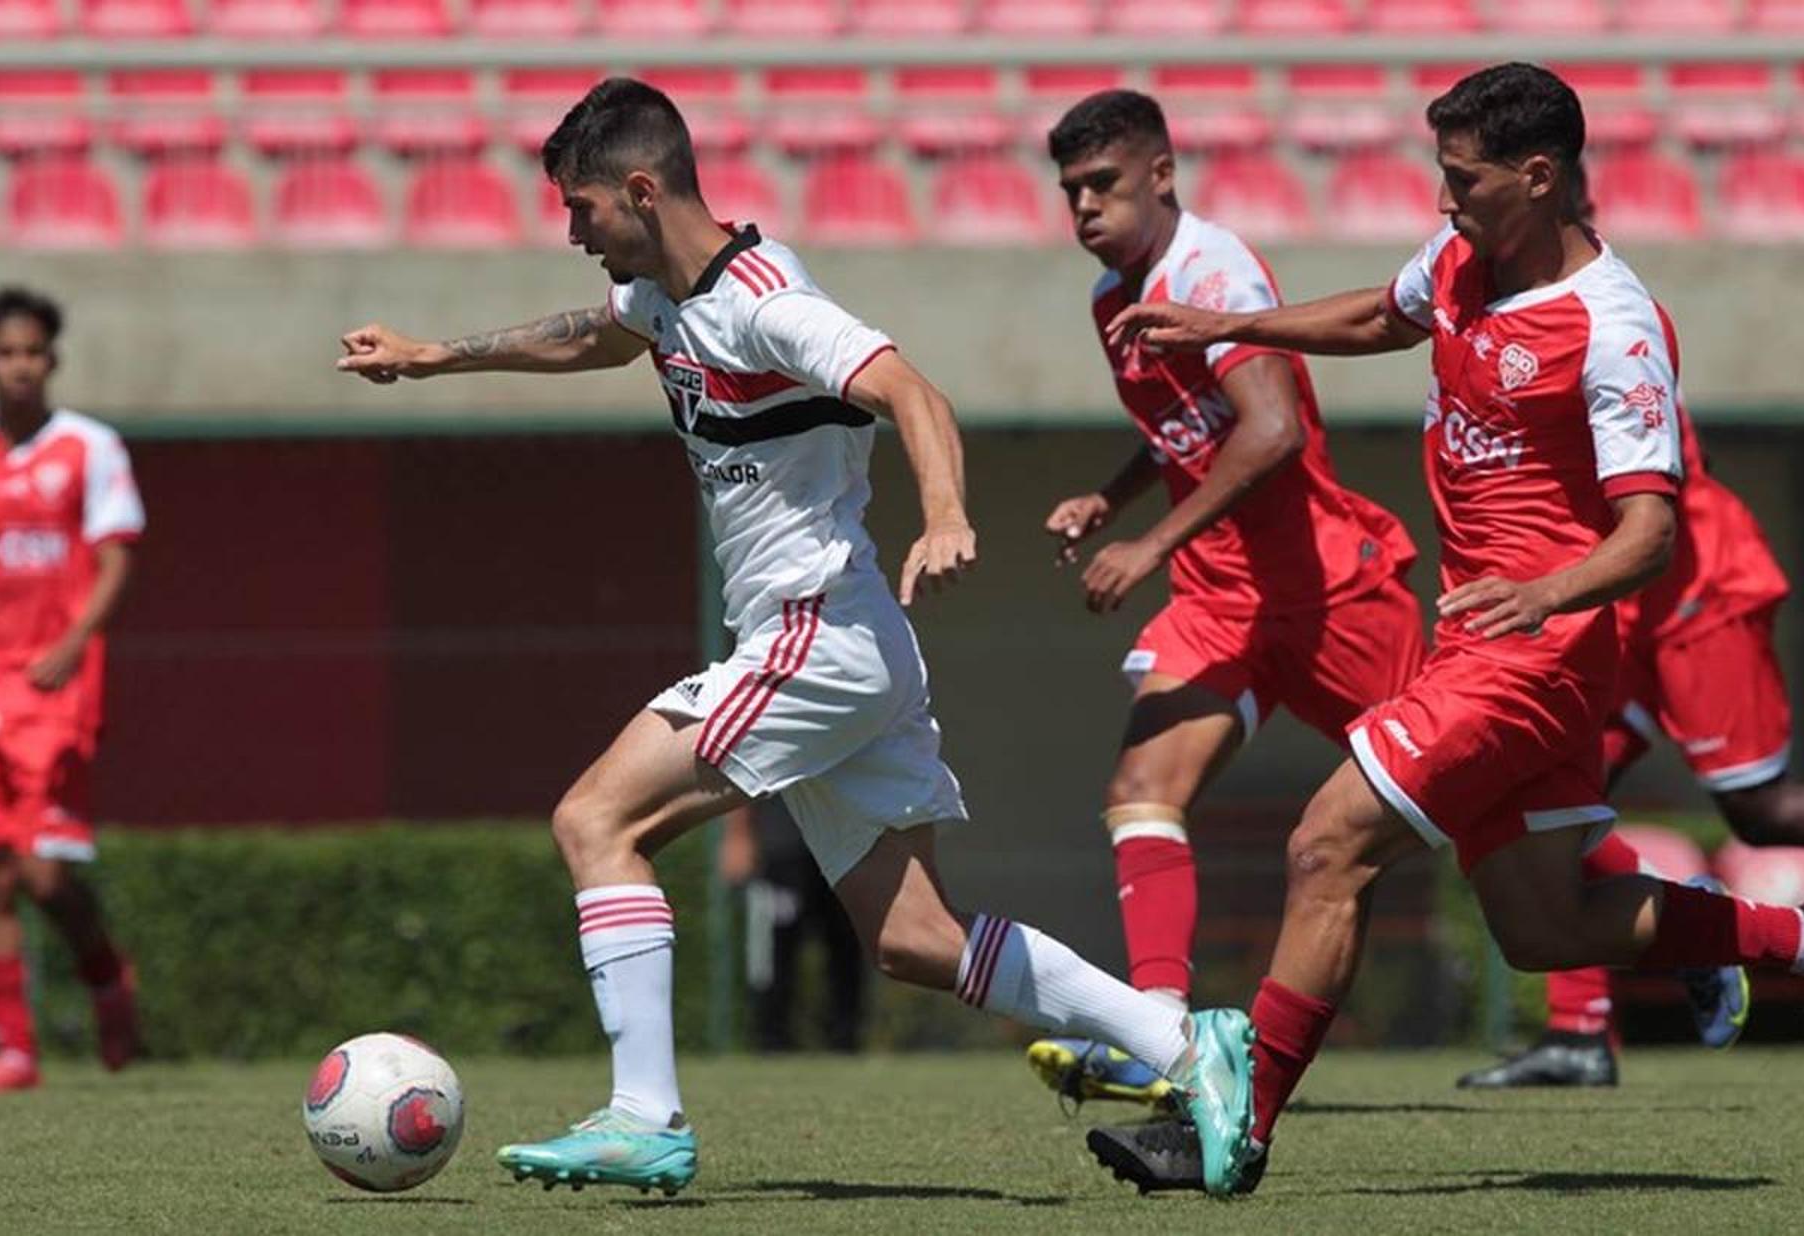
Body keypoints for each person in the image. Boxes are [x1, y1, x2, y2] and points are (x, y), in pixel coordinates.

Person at [335, 77, 1249, 1199]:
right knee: (914, 938)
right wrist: (437, 356)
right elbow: (596, 338)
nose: (572, 234)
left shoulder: (766, 299)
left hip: (814, 634)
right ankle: (1186, 1048)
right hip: (845, 644)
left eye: (580, 211)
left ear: (639, 189)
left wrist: (950, 515)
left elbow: (912, 392)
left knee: (594, 820)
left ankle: (644, 1116)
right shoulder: (662, 294)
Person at [1084, 62, 1804, 1196]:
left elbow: (1648, 532)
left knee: (1324, 846)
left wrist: (1542, 595)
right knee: (1548, 925)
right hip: (1486, 646)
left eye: (1465, 179)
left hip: (1531, 657)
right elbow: (1377, 315)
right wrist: (1230, 323)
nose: (1445, 201)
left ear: (1539, 178)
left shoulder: (1614, 325)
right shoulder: (1460, 261)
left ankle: (1229, 1131)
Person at [1021, 90, 1423, 1110]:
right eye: (1070, 191)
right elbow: (1185, 425)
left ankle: (1744, 934)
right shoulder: (1116, 298)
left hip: (1327, 592)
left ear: (1161, 173)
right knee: (1140, 793)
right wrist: (1111, 498)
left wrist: (1145, 544)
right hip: (1219, 601)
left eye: (1102, 185)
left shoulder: (1214, 271)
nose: (1084, 209)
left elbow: (1272, 427)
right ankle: (1163, 1035)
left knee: (1498, 826)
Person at [1461, 379, 1804, 1087]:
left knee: (1761, 810)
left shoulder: (1605, 312)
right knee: (1553, 794)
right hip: (1619, 594)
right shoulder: (1503, 319)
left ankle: (1709, 938)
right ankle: (1584, 1029)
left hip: (1692, 580)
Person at [0, 287, 145, 1098]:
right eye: (6, 352)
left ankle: (105, 975)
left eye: (33, 352)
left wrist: (71, 641)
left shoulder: (89, 449)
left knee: (43, 872)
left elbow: (117, 555)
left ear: (50, 361)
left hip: (51, 680)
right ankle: (14, 1051)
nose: (19, 366)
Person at [719, 797, 864, 1052]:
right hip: (781, 847)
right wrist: (738, 834)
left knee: (848, 950)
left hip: (845, 844)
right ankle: (771, 1044)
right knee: (775, 955)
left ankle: (845, 1044)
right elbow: (743, 769)